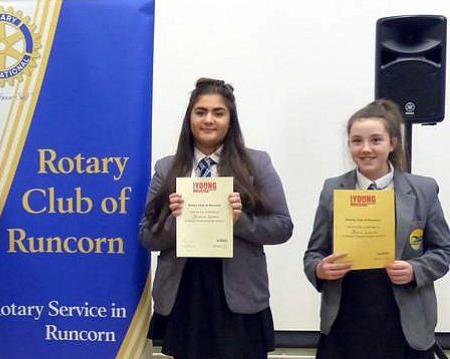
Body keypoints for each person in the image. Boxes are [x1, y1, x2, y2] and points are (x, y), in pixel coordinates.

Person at [140, 78, 293, 359]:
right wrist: (174, 220)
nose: (208, 120)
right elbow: (147, 237)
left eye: (218, 113)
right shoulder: (167, 167)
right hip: (185, 294)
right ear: (190, 118)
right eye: (201, 112)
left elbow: (283, 227)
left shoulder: (256, 164)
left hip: (239, 295)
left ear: (230, 120)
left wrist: (240, 220)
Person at [303, 99, 450, 359]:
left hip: (404, 320)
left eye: (375, 140)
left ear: (392, 143)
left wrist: (416, 270)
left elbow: (444, 251)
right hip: (346, 317)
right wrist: (320, 268)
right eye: (357, 140)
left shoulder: (423, 190)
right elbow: (313, 254)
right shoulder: (332, 189)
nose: (366, 149)